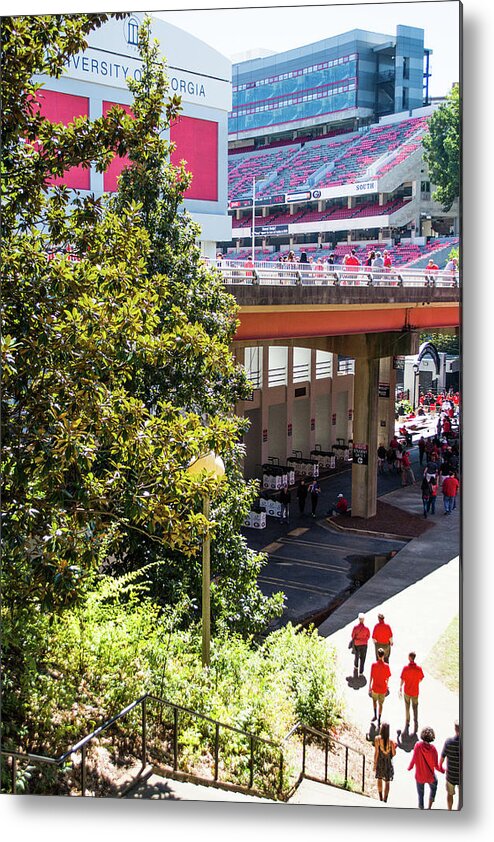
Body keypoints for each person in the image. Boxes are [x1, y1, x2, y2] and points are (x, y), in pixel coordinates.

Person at [408, 727, 443, 809]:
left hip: (419, 776)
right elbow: (436, 766)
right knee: (434, 786)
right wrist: (443, 770)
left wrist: (410, 767)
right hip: (430, 776)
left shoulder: (417, 745)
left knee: (420, 794)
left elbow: (414, 758)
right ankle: (430, 806)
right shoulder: (433, 749)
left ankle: (421, 808)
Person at [400, 652, 424, 733]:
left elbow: (402, 679)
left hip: (407, 690)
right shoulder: (419, 669)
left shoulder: (405, 668)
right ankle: (415, 721)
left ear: (409, 658)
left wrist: (400, 687)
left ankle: (407, 721)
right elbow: (421, 678)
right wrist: (416, 682)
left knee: (407, 707)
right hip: (415, 691)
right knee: (415, 707)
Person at [440, 721, 461, 810]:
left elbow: (442, 758)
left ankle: (450, 810)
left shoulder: (448, 742)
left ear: (455, 729)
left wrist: (441, 767)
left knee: (450, 794)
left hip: (450, 776)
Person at [374, 722, 396, 803]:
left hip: (380, 761)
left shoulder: (377, 739)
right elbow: (393, 754)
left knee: (379, 779)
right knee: (387, 781)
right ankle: (385, 799)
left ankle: (380, 797)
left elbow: (376, 752)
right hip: (388, 763)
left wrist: (375, 764)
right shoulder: (391, 742)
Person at [369, 648, 391, 724]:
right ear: (383, 656)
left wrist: (369, 686)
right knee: (381, 704)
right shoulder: (387, 666)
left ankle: (375, 715)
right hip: (383, 688)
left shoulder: (374, 665)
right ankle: (379, 718)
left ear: (378, 655)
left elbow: (371, 676)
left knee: (374, 701)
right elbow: (388, 677)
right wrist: (387, 685)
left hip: (375, 686)